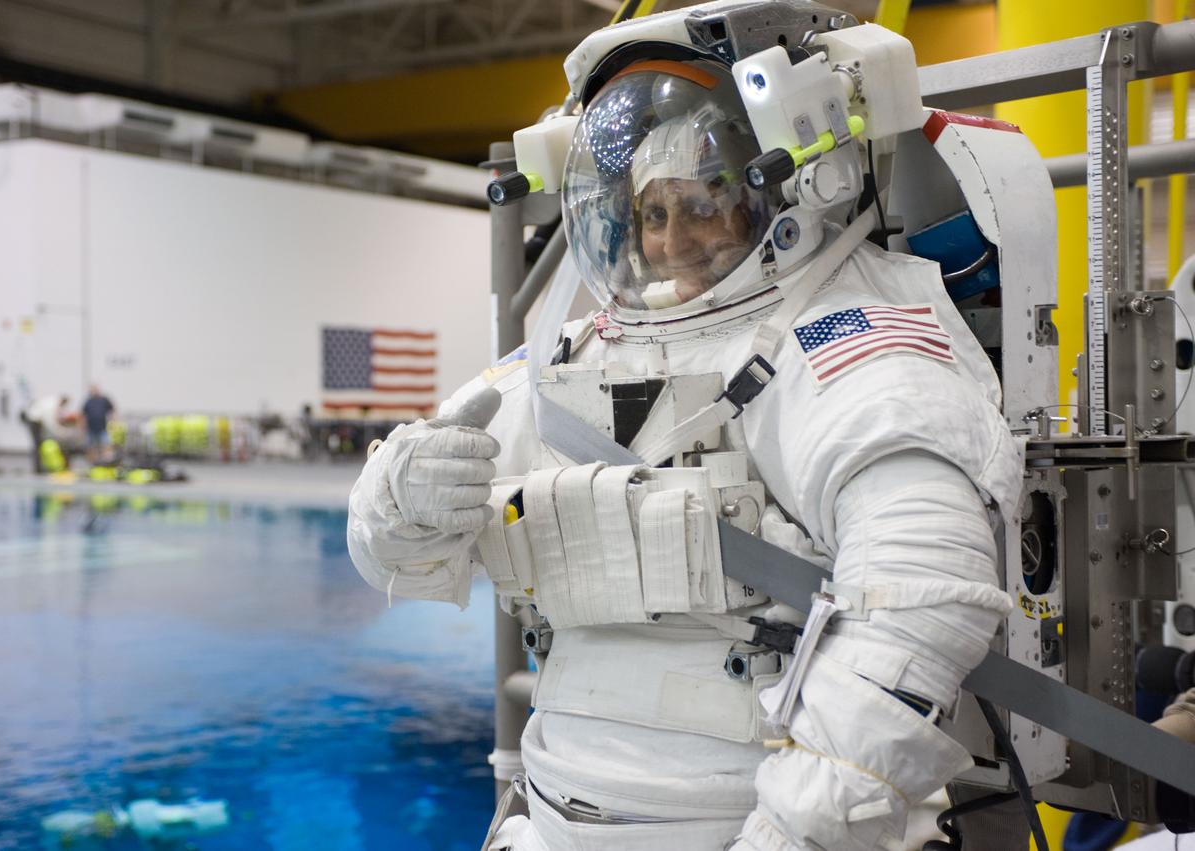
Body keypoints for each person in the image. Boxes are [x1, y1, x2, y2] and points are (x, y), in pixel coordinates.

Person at [347, 5, 1023, 850]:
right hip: (554, 814)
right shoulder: (572, 356)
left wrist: (799, 828)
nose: (672, 242)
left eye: (703, 206)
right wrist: (400, 496)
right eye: (654, 214)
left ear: (776, 196)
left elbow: (922, 595)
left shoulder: (842, 332)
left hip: (753, 821)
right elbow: (385, 552)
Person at [22, 394, 72, 474]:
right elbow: (51, 424)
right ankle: (38, 469)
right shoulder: (51, 407)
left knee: (40, 445)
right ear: (63, 402)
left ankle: (40, 467)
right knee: (37, 445)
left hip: (37, 421)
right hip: (34, 421)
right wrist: (62, 433)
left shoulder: (53, 402)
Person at [81, 385, 115, 464]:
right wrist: (83, 427)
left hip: (102, 428)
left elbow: (112, 410)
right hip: (91, 429)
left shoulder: (104, 400)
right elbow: (83, 415)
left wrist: (113, 421)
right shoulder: (88, 401)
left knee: (106, 445)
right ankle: (92, 463)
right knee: (90, 447)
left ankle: (107, 462)